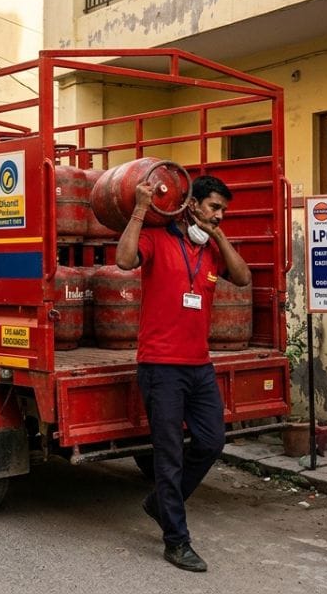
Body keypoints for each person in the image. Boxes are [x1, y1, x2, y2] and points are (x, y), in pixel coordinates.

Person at [116, 174, 251, 573]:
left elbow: (243, 279)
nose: (220, 215)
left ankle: (160, 504)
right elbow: (124, 260)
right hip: (161, 366)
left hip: (199, 366)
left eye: (224, 210)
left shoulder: (210, 250)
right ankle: (176, 540)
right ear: (192, 205)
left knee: (211, 441)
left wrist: (218, 236)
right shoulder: (157, 239)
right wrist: (141, 207)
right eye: (214, 207)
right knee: (170, 455)